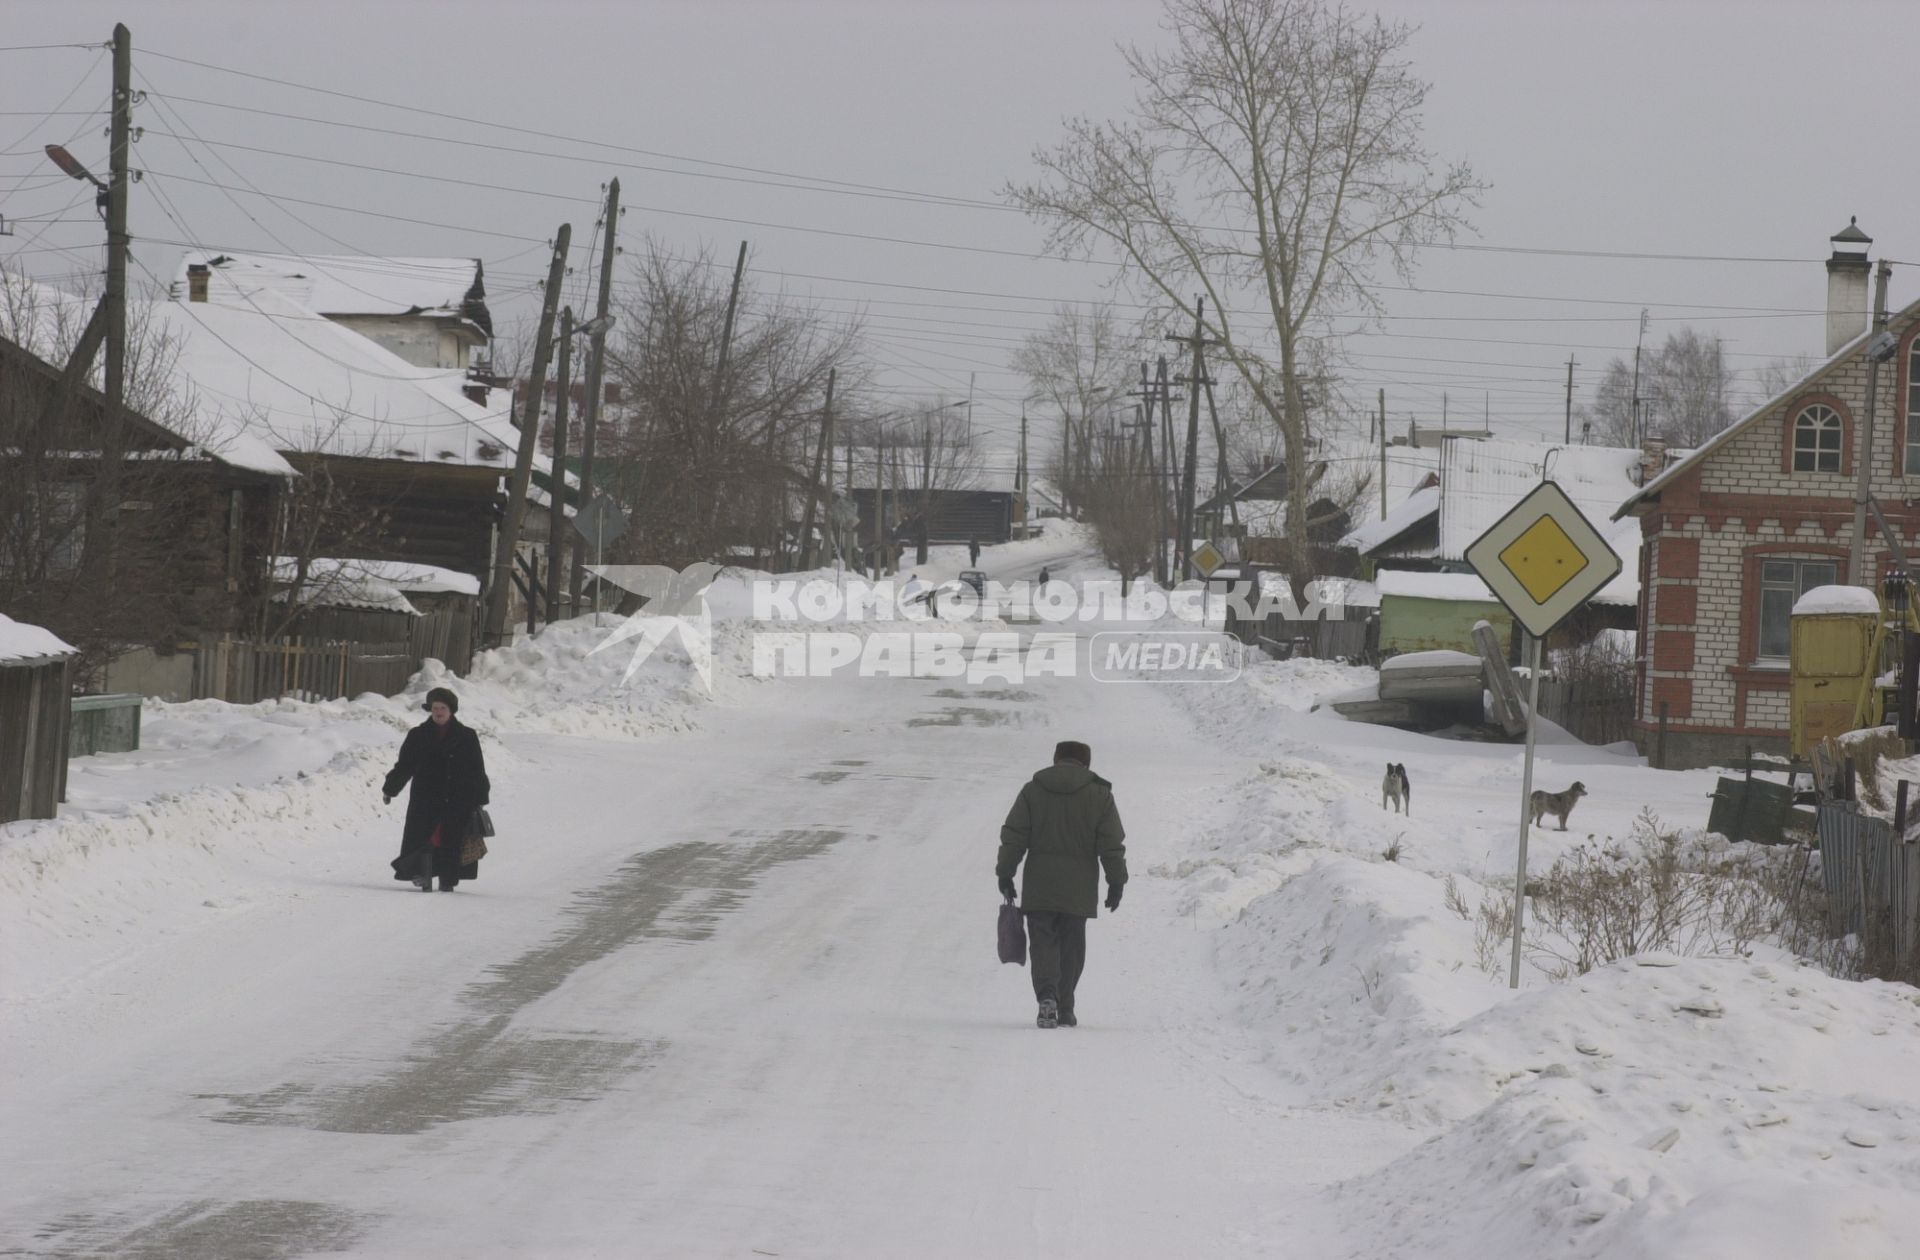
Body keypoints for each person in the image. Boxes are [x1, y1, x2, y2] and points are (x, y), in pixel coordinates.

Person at [996, 740, 1127, 1029]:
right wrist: (1116, 881)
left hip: (1039, 884)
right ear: (1087, 763)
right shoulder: (1100, 795)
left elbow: (1014, 835)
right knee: (1072, 946)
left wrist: (1005, 872)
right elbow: (1111, 845)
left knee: (1042, 942)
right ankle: (1065, 1005)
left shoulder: (1033, 791)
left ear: (1056, 759)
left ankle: (1047, 996)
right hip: (1079, 888)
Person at [384, 686, 490, 892]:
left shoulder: (467, 736)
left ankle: (447, 879)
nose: (438, 712)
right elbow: (405, 765)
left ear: (451, 711)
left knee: (451, 838)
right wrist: (390, 788)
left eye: (442, 708)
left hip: (458, 797)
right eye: (434, 708)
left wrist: (480, 795)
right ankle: (422, 875)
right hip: (426, 798)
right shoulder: (417, 735)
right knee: (425, 838)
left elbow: (477, 767)